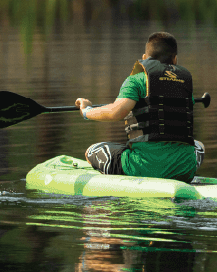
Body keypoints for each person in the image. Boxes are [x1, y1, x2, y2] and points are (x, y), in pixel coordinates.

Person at [74, 32, 204, 183]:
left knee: (92, 150)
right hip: (184, 171)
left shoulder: (136, 80)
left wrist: (86, 111)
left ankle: (117, 178)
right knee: (199, 146)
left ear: (144, 58)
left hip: (144, 168)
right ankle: (175, 170)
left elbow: (117, 112)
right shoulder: (185, 83)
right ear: (175, 59)